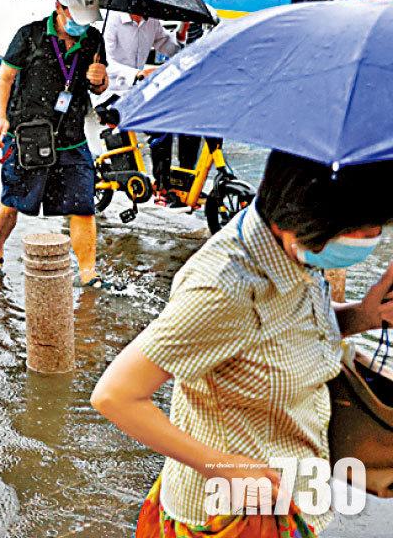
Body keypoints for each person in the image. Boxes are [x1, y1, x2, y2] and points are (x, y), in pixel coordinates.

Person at [92, 151, 393, 537]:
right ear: (305, 220)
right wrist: (223, 465)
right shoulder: (223, 288)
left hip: (292, 486)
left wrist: (362, 315)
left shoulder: (297, 253)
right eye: (363, 231)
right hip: (233, 514)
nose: (371, 241)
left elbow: (285, 331)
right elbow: (116, 395)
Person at [0, 0, 112, 287]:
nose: (82, 24)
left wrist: (99, 81)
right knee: (12, 201)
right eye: (77, 16)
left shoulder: (93, 40)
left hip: (72, 136)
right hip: (29, 135)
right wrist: (0, 118)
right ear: (60, 7)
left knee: (83, 205)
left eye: (87, 18)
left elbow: (99, 86)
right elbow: (4, 78)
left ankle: (87, 273)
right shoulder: (29, 36)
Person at [103, 12, 189, 203]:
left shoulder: (151, 21)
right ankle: (158, 186)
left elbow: (171, 48)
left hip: (134, 92)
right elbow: (104, 62)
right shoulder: (113, 19)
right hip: (108, 91)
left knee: (163, 124)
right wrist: (138, 73)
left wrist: (183, 30)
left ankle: (162, 184)